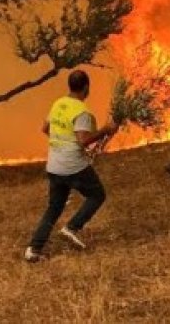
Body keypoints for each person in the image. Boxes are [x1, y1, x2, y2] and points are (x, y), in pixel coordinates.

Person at [25, 70, 118, 262]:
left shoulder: (59, 103)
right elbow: (83, 140)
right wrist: (106, 129)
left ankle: (34, 249)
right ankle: (71, 228)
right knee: (97, 195)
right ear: (86, 88)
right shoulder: (81, 112)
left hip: (54, 165)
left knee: (54, 207)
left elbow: (45, 128)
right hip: (72, 166)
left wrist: (62, 142)